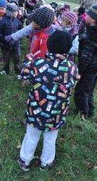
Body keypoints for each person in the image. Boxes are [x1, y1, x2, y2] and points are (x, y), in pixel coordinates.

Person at [17, 30, 79, 172]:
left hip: (36, 109)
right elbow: (72, 83)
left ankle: (25, 160)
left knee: (31, 135)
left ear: (49, 45)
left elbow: (25, 76)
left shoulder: (37, 63)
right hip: (56, 112)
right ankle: (46, 163)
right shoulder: (73, 68)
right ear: (68, 49)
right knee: (50, 138)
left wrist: (28, 61)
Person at [74, 4, 97, 120]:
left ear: (93, 19)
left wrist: (79, 72)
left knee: (82, 89)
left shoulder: (89, 36)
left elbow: (85, 57)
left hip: (89, 67)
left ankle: (83, 113)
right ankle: (90, 111)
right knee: (89, 89)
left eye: (88, 15)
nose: (85, 17)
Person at [0, 3, 22, 76]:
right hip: (5, 45)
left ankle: (18, 72)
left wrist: (19, 39)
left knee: (16, 58)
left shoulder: (17, 21)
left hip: (15, 44)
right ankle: (5, 70)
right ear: (10, 12)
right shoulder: (2, 21)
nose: (17, 13)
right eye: (15, 11)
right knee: (5, 58)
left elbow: (20, 29)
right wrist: (3, 39)